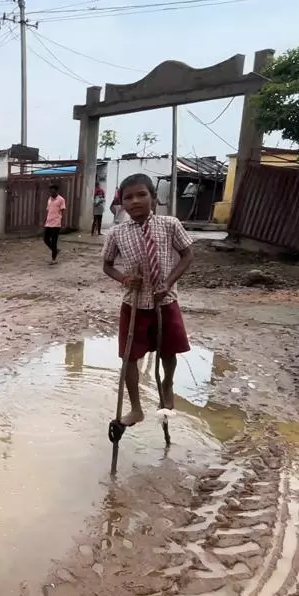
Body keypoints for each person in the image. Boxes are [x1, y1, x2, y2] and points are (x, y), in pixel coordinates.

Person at [101, 173, 195, 427]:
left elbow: (187, 255)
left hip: (165, 302)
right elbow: (107, 266)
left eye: (141, 195)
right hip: (134, 304)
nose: (135, 201)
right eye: (128, 197)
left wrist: (168, 282)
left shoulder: (170, 224)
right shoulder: (117, 233)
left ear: (154, 197)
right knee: (128, 357)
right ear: (122, 203)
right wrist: (124, 279)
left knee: (168, 350)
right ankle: (136, 409)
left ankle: (167, 385)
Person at [42, 183, 66, 264]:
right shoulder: (49, 199)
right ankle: (55, 250)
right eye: (50, 191)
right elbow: (48, 211)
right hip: (48, 222)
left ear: (56, 191)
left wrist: (62, 221)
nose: (51, 193)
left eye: (53, 191)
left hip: (56, 223)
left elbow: (63, 211)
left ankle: (53, 259)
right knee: (45, 239)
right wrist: (45, 220)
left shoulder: (61, 199)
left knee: (54, 241)